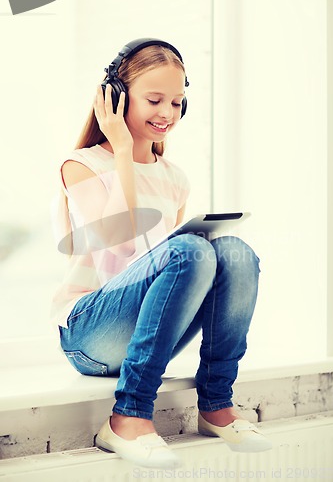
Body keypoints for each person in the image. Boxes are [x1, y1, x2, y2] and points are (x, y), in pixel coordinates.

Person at [51, 38, 272, 469]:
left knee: (235, 251)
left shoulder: (175, 179)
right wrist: (120, 151)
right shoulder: (80, 165)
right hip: (87, 334)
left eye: (177, 101)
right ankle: (128, 416)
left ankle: (217, 403)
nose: (167, 114)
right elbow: (123, 245)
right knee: (189, 249)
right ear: (115, 99)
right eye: (154, 100)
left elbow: (166, 279)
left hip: (144, 335)